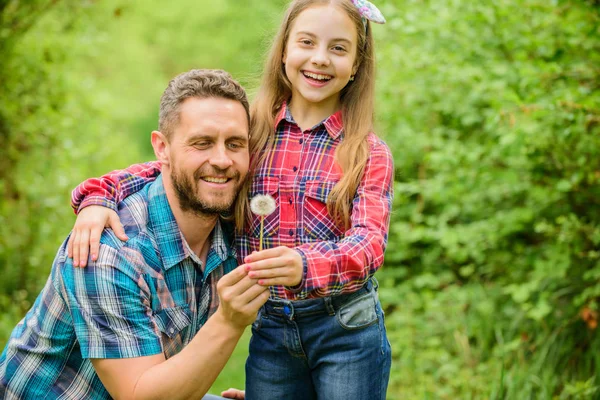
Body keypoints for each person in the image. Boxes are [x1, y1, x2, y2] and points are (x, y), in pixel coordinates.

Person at [68, 0, 394, 398]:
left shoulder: (366, 151)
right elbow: (173, 167)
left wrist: (303, 264)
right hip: (271, 325)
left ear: (358, 64)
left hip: (346, 326)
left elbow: (370, 243)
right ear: (284, 52)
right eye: (307, 42)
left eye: (339, 48)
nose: (320, 59)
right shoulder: (253, 134)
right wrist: (99, 196)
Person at [0, 69, 270, 400]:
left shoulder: (234, 223)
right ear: (162, 148)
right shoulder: (108, 250)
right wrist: (229, 322)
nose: (221, 160)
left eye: (235, 144)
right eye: (202, 143)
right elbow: (140, 396)